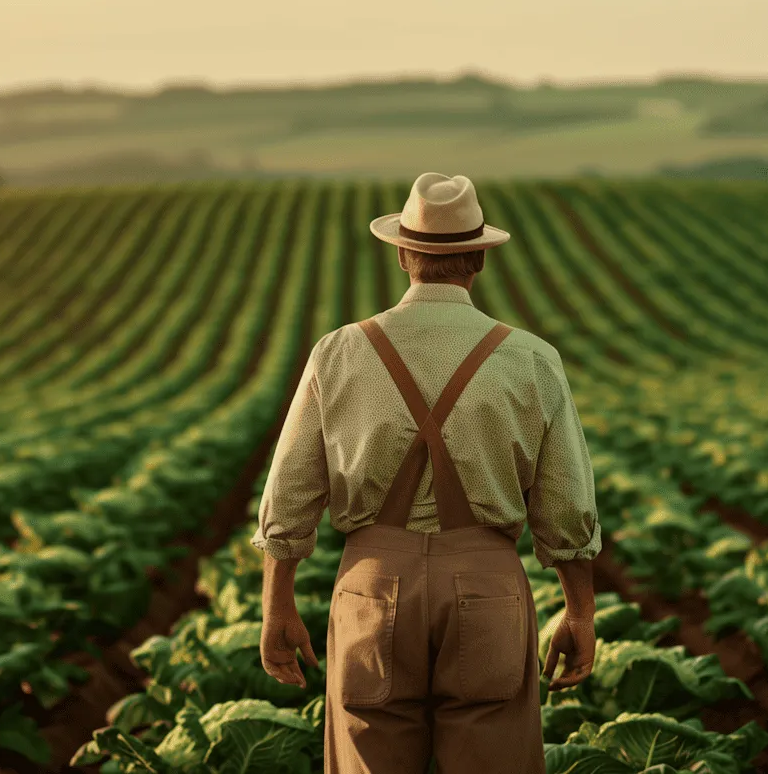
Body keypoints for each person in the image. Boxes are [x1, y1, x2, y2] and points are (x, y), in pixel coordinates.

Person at [252, 172, 600, 774]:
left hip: (372, 582)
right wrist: (580, 612)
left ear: (405, 255)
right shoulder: (532, 359)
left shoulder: (338, 352)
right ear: (479, 261)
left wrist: (276, 608)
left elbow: (288, 498)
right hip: (488, 584)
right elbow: (566, 509)